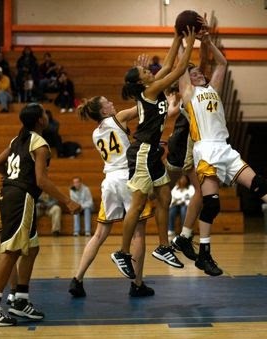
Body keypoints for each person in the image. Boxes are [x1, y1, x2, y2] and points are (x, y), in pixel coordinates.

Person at [177, 15, 267, 276]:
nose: (198, 72)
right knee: (212, 205)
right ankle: (204, 254)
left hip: (225, 148)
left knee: (260, 184)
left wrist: (208, 42)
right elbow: (181, 68)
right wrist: (185, 39)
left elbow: (222, 62)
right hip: (206, 150)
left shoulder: (213, 88)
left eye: (199, 71)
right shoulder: (188, 94)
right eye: (193, 72)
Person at [0, 103, 81, 326]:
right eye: (44, 113)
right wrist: (67, 200)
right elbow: (41, 181)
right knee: (12, 251)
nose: (46, 115)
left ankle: (20, 300)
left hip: (10, 194)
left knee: (31, 248)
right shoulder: (40, 144)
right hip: (20, 197)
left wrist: (11, 178)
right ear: (40, 121)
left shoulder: (16, 140)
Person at [110, 27, 196, 279]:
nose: (151, 71)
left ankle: (163, 246)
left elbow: (168, 64)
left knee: (165, 196)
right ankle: (122, 252)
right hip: (142, 151)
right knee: (137, 206)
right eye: (146, 71)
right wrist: (190, 43)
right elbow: (178, 70)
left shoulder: (153, 88)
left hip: (152, 151)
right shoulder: (149, 91)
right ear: (141, 82)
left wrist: (177, 37)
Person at [69, 96, 155, 298]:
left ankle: (77, 279)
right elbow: (143, 106)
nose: (112, 103)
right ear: (104, 111)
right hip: (128, 178)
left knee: (99, 234)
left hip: (109, 181)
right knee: (138, 233)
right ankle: (137, 284)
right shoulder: (119, 118)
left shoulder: (95, 133)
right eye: (108, 102)